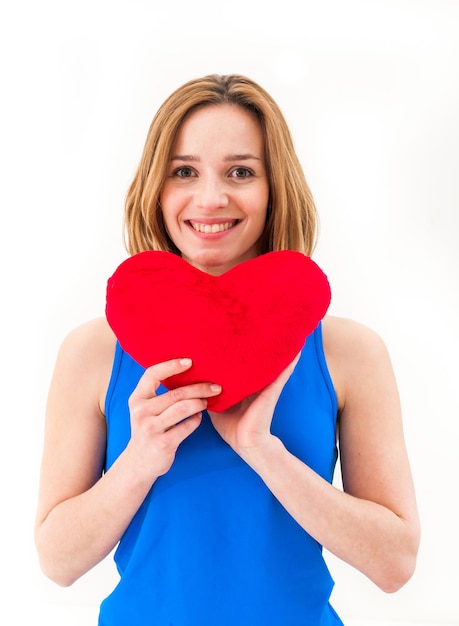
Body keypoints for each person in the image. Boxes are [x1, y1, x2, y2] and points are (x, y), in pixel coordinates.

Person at [34, 74, 420, 626]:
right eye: (183, 172)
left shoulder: (350, 354)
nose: (210, 198)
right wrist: (140, 461)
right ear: (156, 189)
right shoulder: (92, 353)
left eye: (241, 171)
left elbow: (396, 563)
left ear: (273, 188)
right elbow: (57, 560)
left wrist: (264, 451)